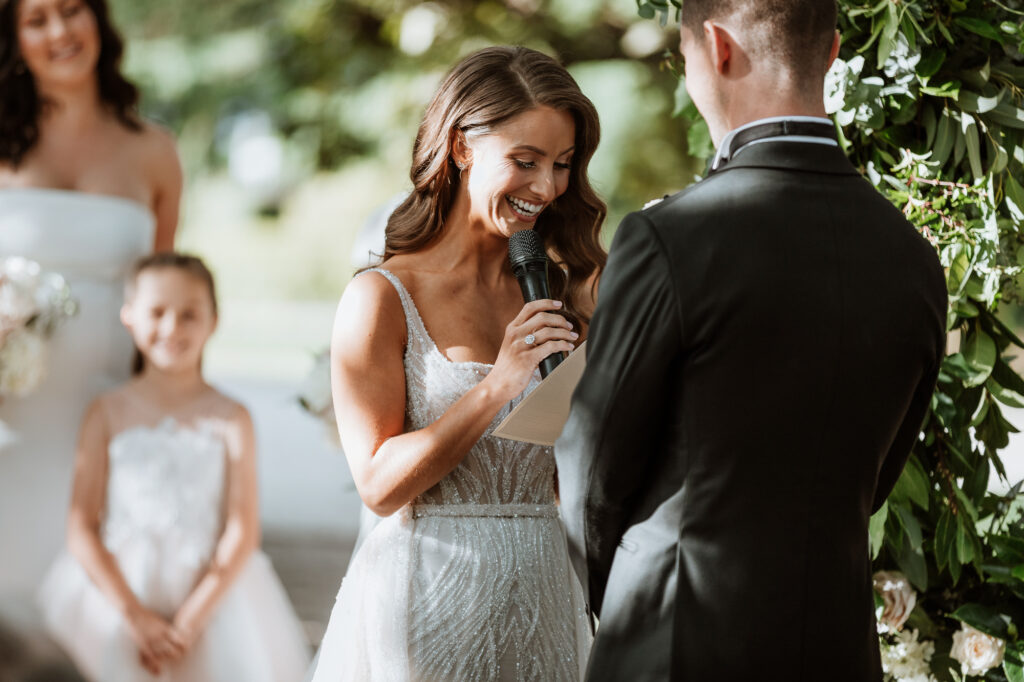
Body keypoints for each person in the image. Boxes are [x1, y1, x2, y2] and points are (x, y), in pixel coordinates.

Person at [554, 1, 948, 680]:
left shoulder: (669, 240)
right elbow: (875, 477)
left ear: (717, 47)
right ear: (830, 54)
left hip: (671, 641)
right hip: (834, 649)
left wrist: (612, 602)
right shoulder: (912, 257)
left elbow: (591, 471)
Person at [310, 46, 606, 681]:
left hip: (545, 594)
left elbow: (575, 474)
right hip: (427, 601)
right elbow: (379, 486)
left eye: (561, 164)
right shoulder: (382, 298)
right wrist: (499, 384)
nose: (547, 188)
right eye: (524, 162)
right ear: (462, 147)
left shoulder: (566, 288)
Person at [37, 253, 310, 682]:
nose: (171, 328)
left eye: (189, 315)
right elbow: (81, 527)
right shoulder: (106, 412)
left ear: (214, 320)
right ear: (129, 316)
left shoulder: (231, 416)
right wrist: (135, 616)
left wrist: (189, 623)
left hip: (211, 599)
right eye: (157, 312)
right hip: (117, 597)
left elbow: (242, 530)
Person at [0, 0, 182, 614]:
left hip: (107, 408)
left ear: (97, 20)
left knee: (94, 603)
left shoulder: (155, 151)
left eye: (71, 10)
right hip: (9, 412)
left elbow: (165, 291)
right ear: (14, 38)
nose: (59, 31)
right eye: (37, 19)